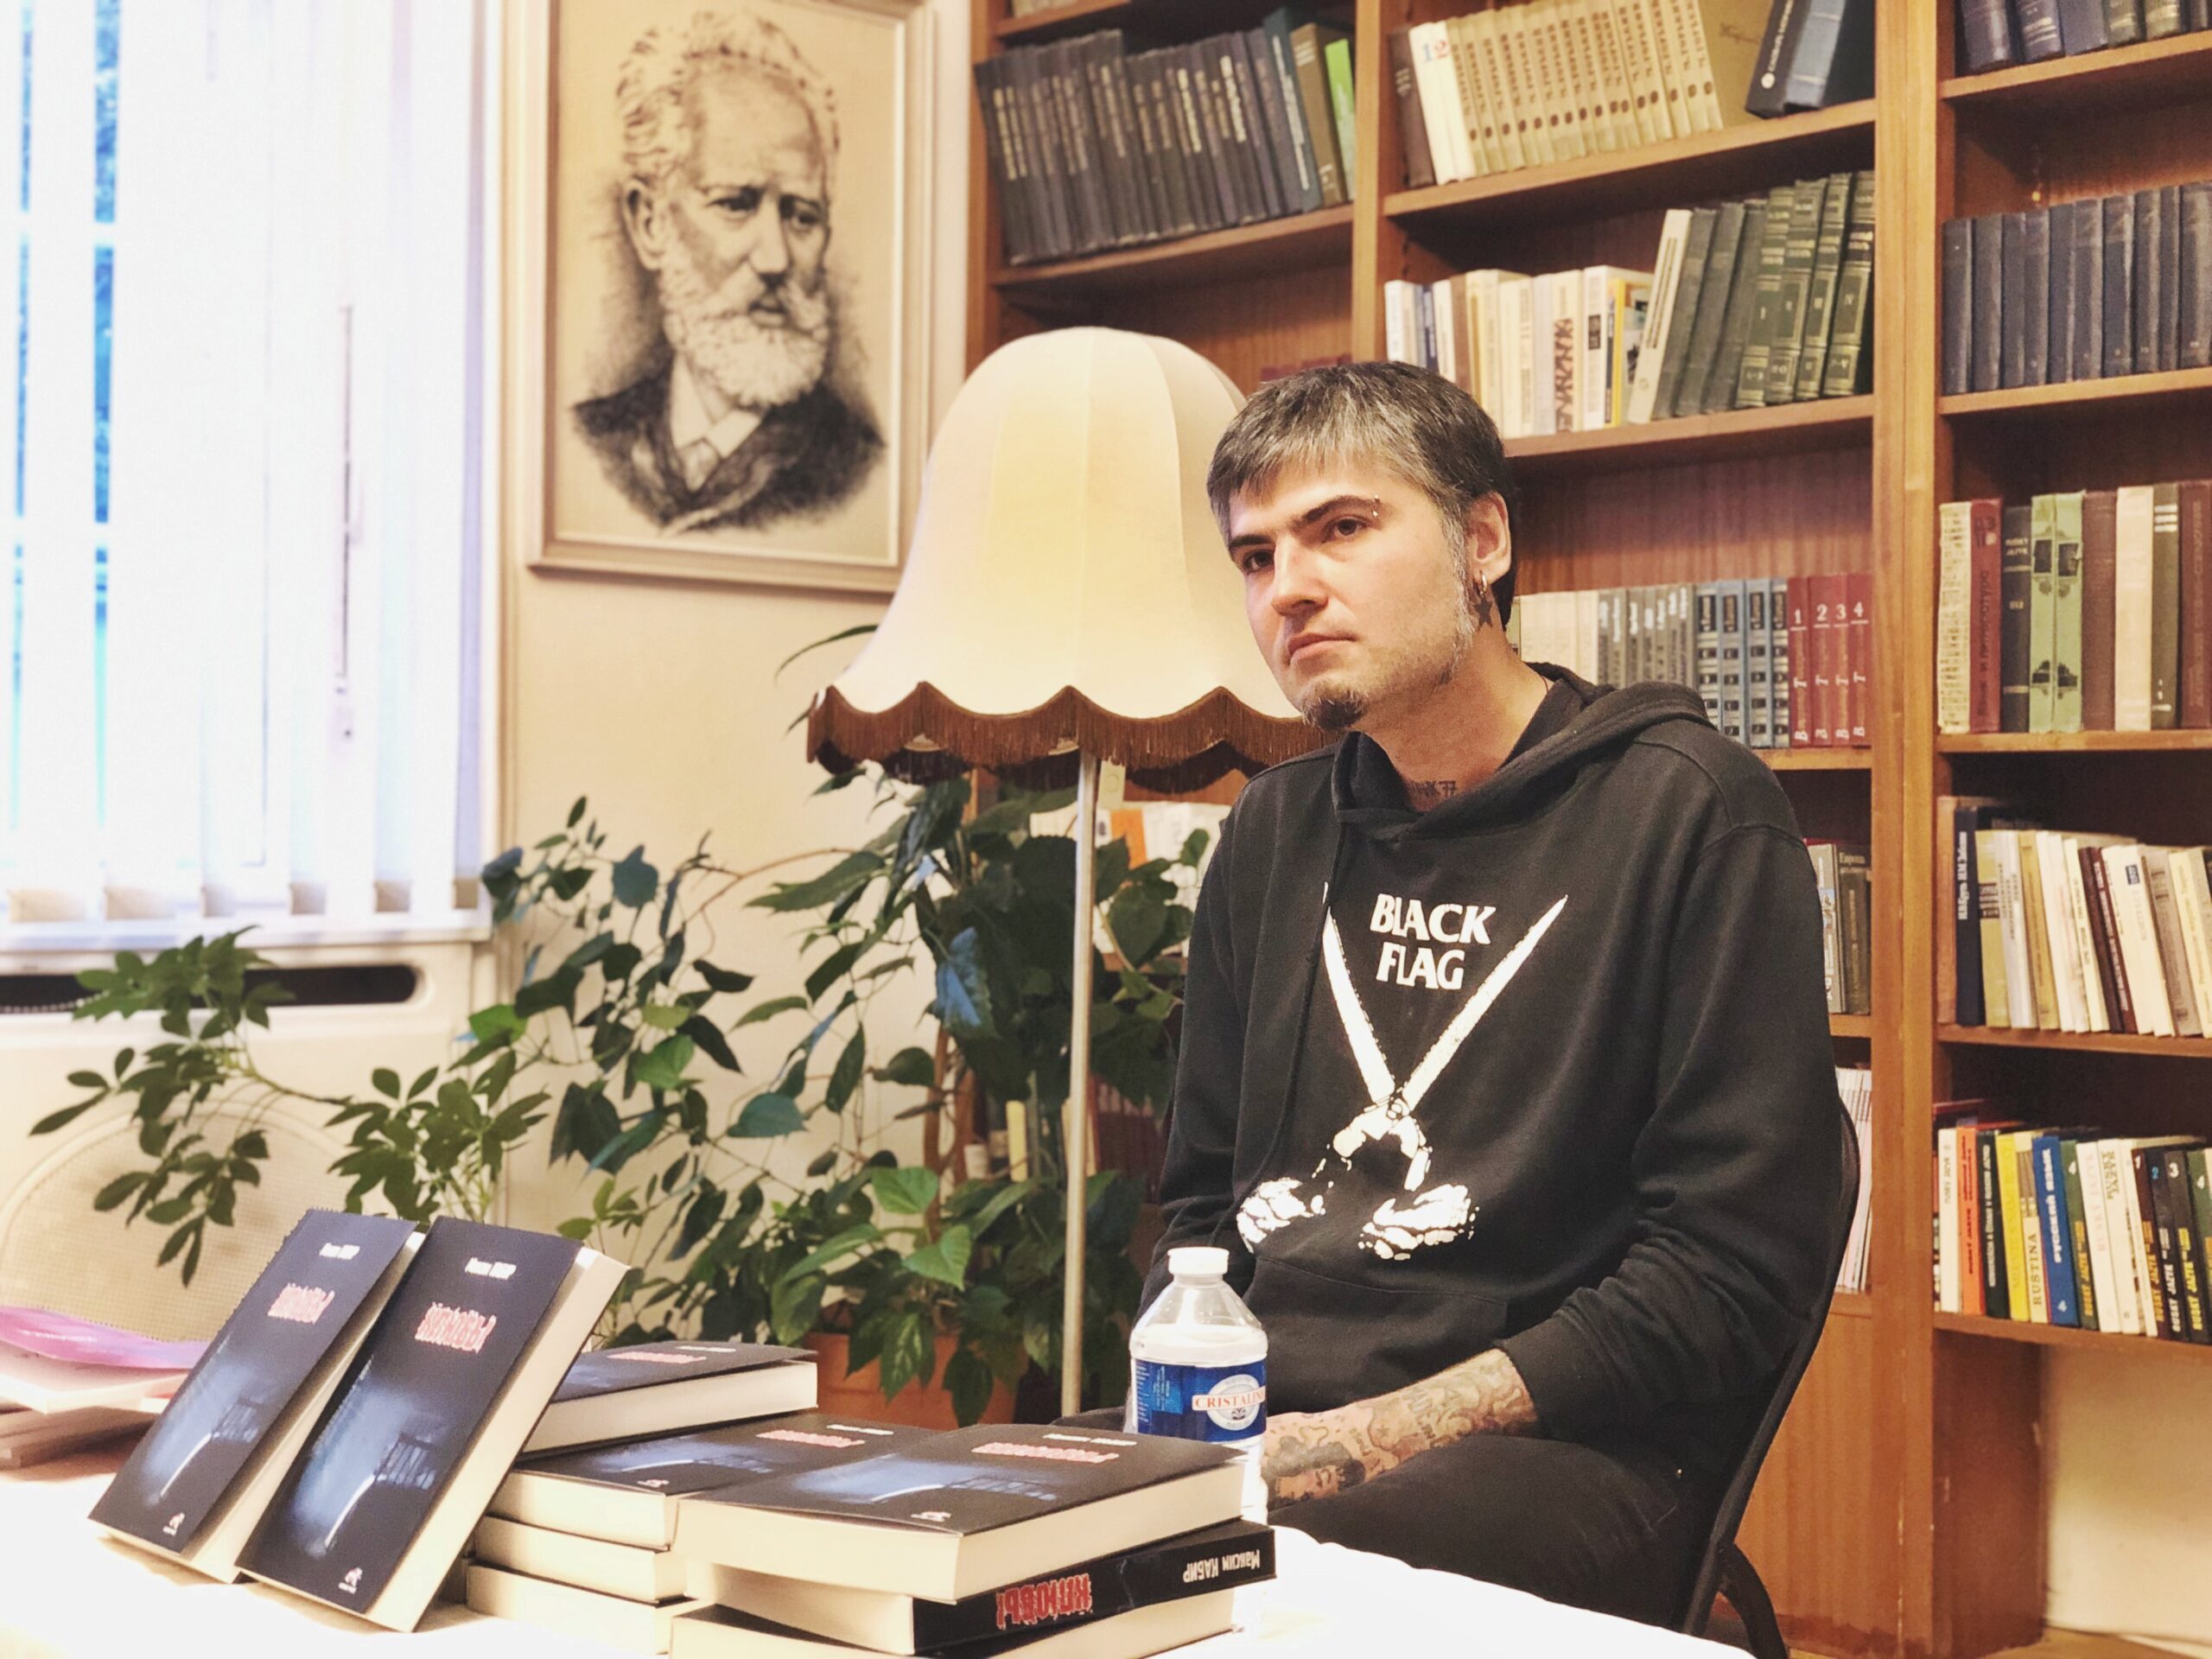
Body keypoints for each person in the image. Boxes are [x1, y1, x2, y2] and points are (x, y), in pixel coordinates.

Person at [1147, 360, 1844, 1625]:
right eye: (1255, 556)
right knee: (991, 1549)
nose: (1288, 586)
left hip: (1575, 1450)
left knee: (1262, 1597)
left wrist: (1359, 1438)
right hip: (1263, 1425)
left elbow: (1730, 1269)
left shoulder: (1687, 812)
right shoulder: (1273, 832)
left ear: (1483, 543)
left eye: (1340, 528)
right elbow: (1201, 1205)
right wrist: (1194, 1424)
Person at [575, 11, 880, 536]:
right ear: (650, 223)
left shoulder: (856, 470)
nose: (775, 259)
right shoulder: (593, 441)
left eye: (801, 216)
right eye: (736, 204)